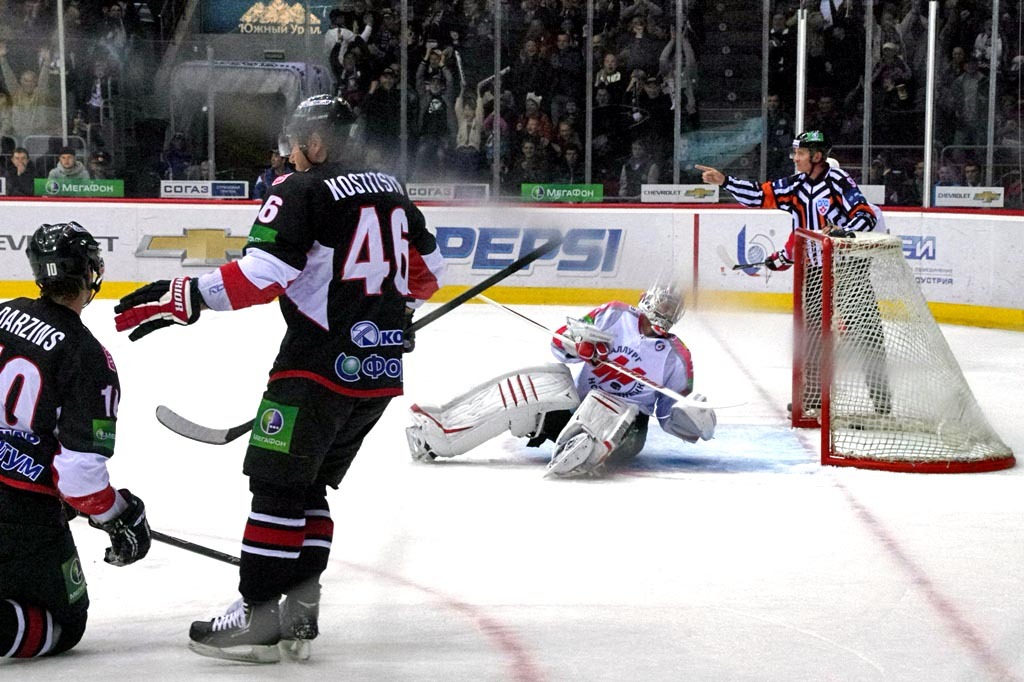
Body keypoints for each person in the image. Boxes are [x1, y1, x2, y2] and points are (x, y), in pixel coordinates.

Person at [112, 94, 446, 664]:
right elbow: (427, 278)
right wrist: (379, 313)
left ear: (316, 142)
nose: (290, 153)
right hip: (378, 375)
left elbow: (262, 276)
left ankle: (258, 617)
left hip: (313, 369)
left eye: (295, 142)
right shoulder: (393, 190)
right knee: (306, 487)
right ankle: (299, 613)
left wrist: (183, 297)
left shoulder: (299, 190)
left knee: (274, 485)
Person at [0, 221, 151, 659]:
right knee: (64, 623)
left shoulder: (4, 312)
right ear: (90, 274)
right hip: (18, 511)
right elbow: (80, 477)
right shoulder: (87, 357)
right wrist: (118, 514)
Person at [405, 279, 717, 478]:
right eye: (662, 301)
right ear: (647, 296)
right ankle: (442, 433)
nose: (664, 310)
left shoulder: (677, 355)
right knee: (542, 381)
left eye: (670, 307)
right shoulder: (613, 314)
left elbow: (667, 414)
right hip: (574, 408)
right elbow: (559, 344)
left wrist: (690, 418)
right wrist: (578, 345)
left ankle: (589, 450)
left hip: (627, 429)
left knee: (607, 406)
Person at [697, 131, 889, 416]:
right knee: (811, 337)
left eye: (800, 153)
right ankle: (812, 397)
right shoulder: (795, 185)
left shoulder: (839, 182)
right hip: (813, 274)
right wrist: (725, 181)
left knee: (866, 333)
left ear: (817, 156)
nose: (795, 158)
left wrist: (842, 231)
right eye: (795, 153)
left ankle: (882, 404)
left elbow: (865, 214)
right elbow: (760, 195)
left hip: (849, 269)